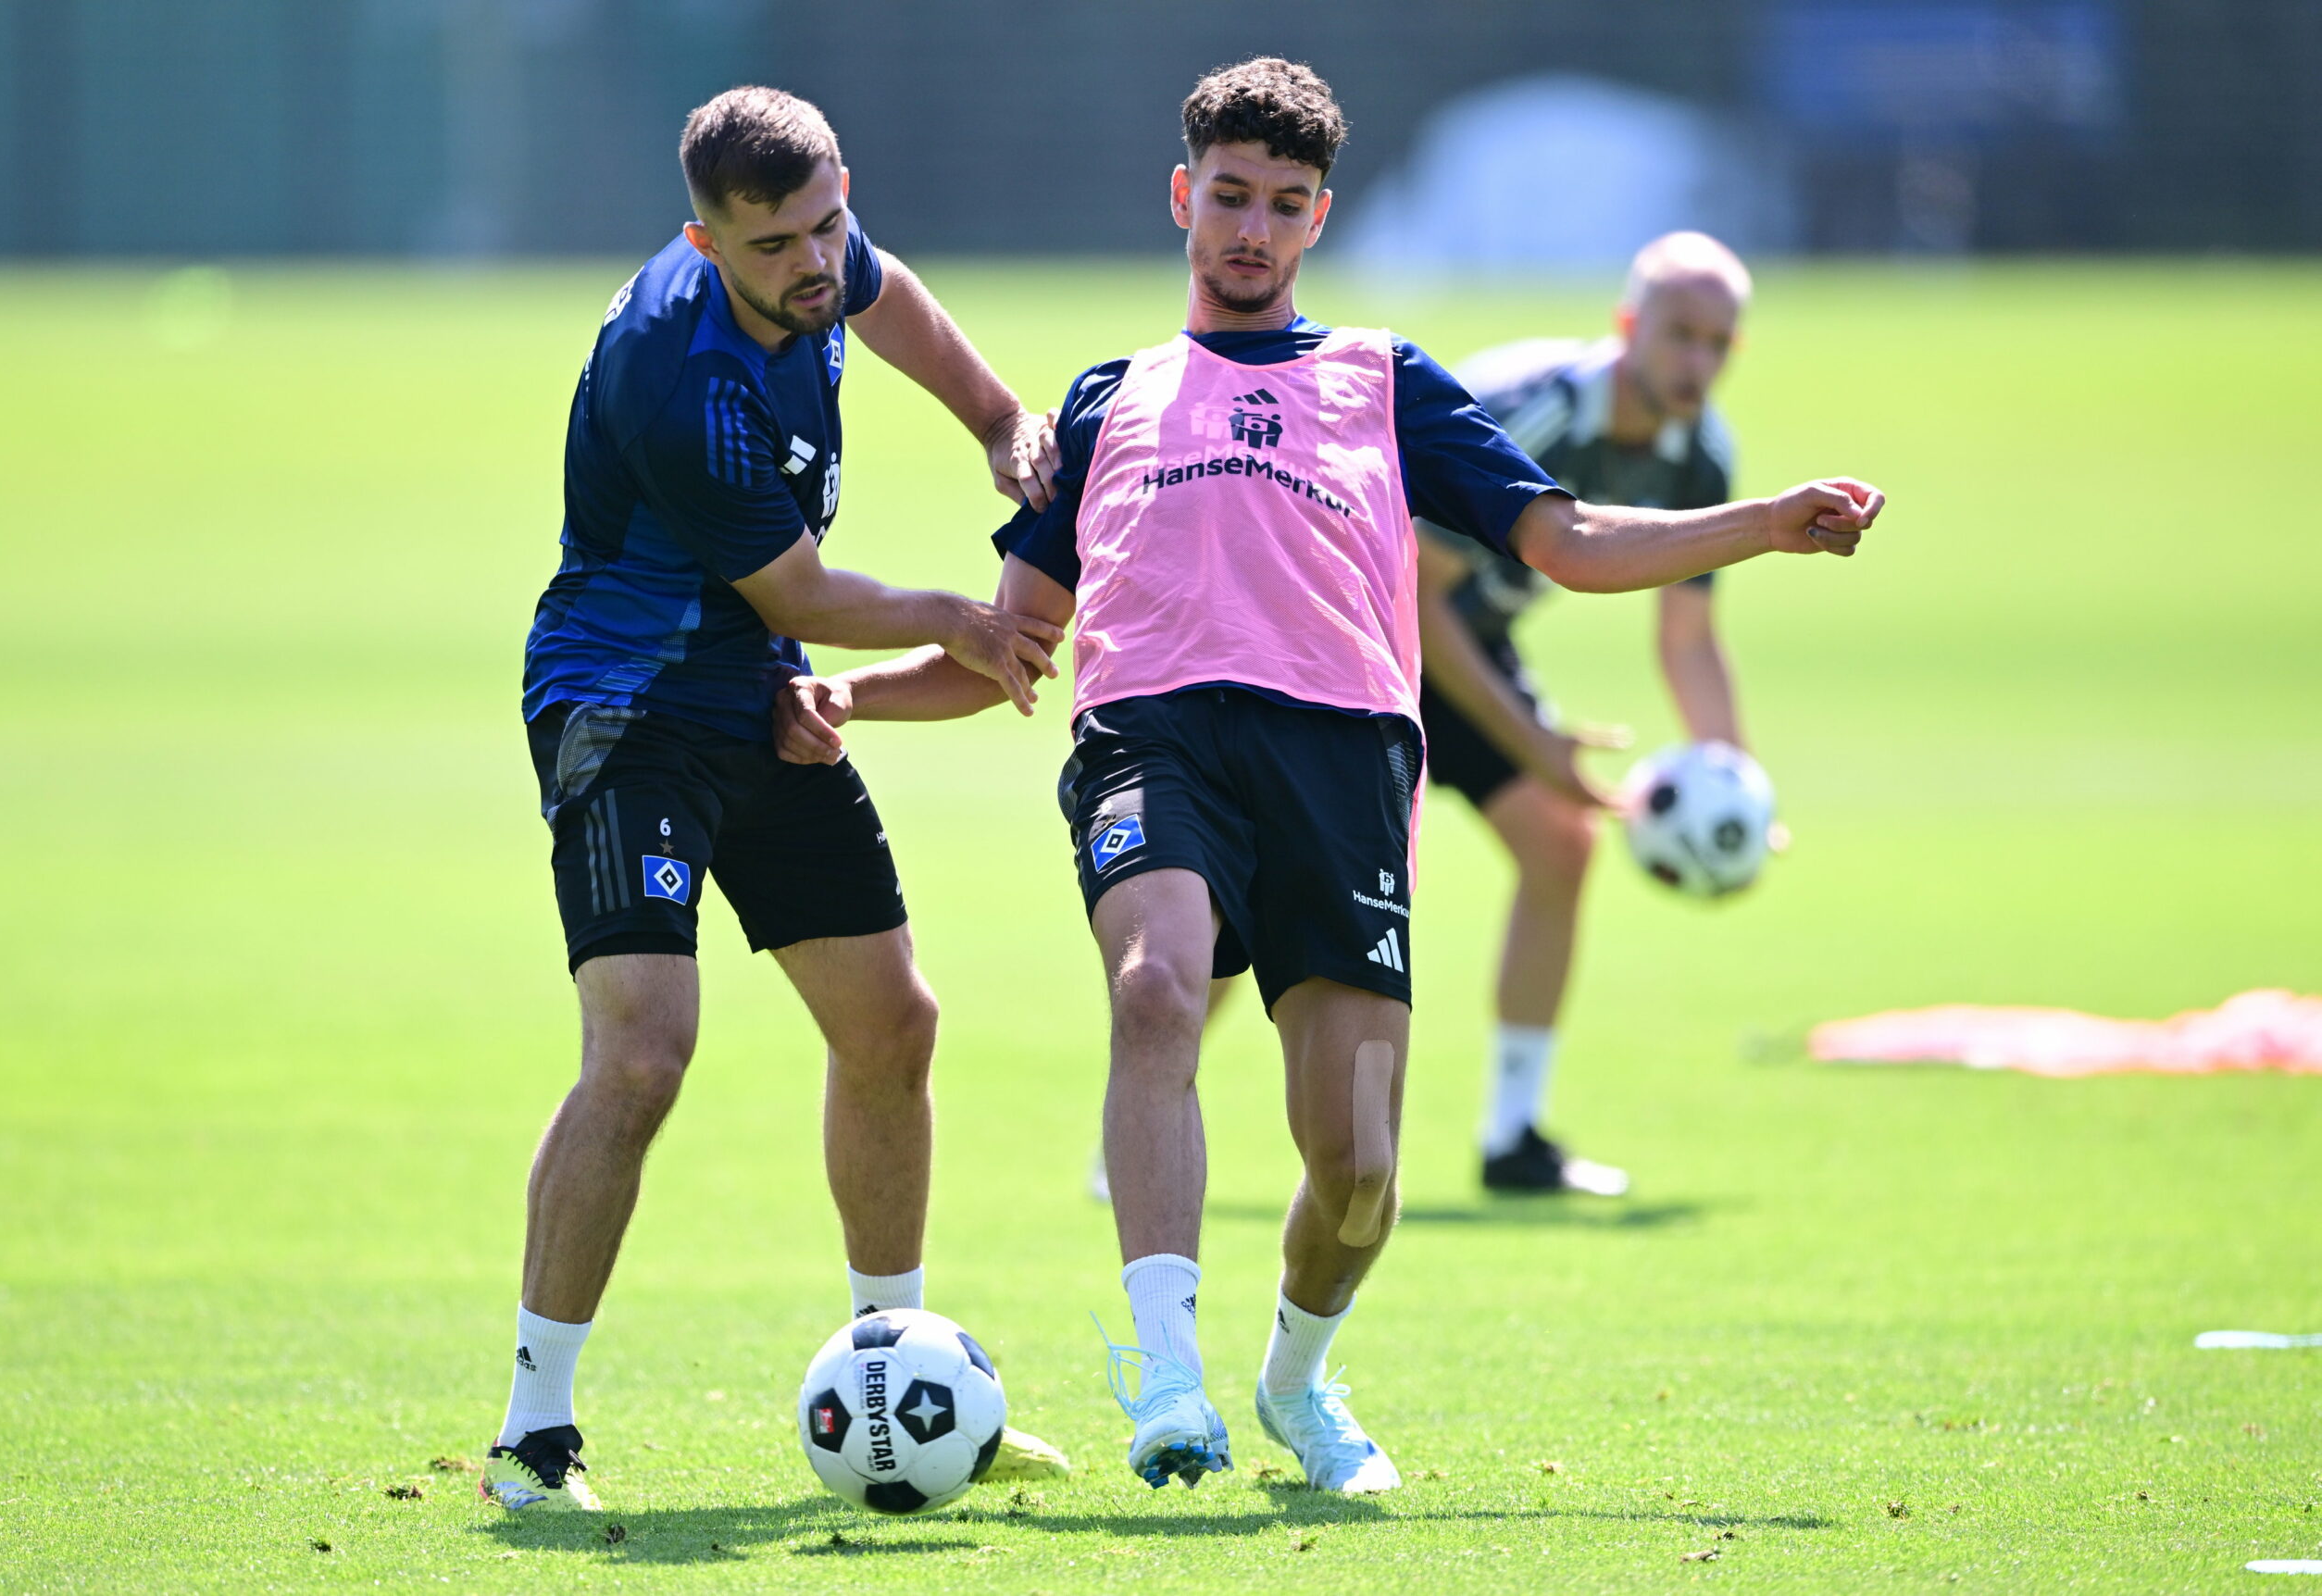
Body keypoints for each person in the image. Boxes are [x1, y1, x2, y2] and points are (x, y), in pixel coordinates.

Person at [770, 58, 1884, 1497]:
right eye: (1228, 196)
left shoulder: (1385, 380)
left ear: (1317, 220)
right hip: (1153, 738)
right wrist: (849, 695)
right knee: (1158, 986)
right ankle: (1164, 1376)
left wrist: (1766, 525)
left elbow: (1573, 543)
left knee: (1356, 1166)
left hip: (1345, 760)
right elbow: (1011, 646)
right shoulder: (1106, 404)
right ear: (1184, 197)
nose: (1250, 228)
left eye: (1283, 206)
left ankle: (1295, 1381)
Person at [487, 85, 1069, 1512]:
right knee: (641, 1056)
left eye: (827, 227)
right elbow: (799, 589)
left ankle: (900, 1373)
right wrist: (960, 617)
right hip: (625, 707)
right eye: (774, 249)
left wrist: (997, 417)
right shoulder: (673, 374)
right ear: (705, 238)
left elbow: (891, 301)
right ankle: (531, 1436)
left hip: (755, 690)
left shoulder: (825, 251)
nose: (814, 265)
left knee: (894, 1023)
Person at [1422, 231, 1758, 1197]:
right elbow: (1413, 590)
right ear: (1627, 326)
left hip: (1460, 632)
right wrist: (1535, 746)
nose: (1697, 362)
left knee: (1560, 843)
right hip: (1352, 625)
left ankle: (1512, 1141)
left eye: (1717, 343)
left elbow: (1688, 639)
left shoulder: (1699, 455)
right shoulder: (1543, 415)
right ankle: (1147, 1102)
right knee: (1279, 880)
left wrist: (1732, 786)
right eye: (1679, 335)